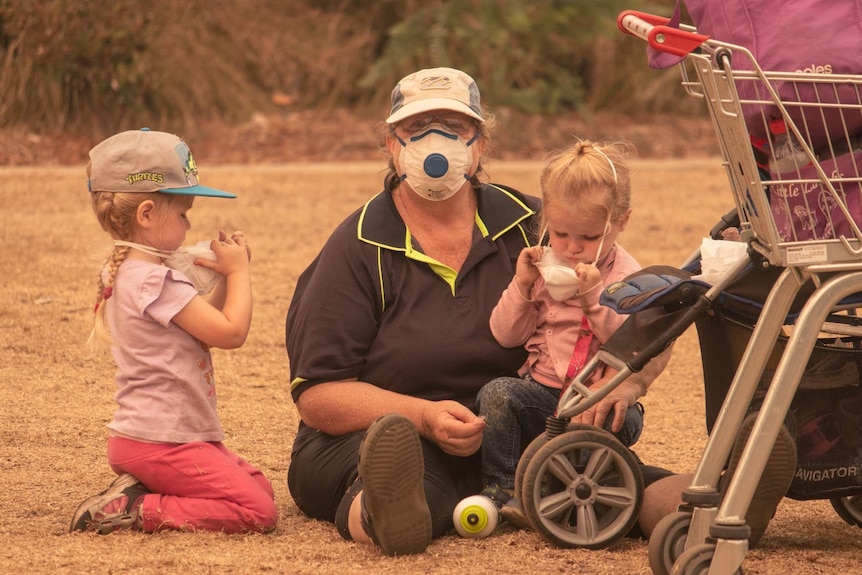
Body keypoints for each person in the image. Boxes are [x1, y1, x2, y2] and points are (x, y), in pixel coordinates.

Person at [285, 67, 689, 556]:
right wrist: (423, 416)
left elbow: (650, 317)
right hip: (393, 434)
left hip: (523, 431)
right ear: (392, 146)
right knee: (410, 481)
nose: (436, 143)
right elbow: (320, 396)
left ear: (479, 145)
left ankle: (714, 506)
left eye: (454, 128)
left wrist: (628, 382)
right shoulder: (357, 244)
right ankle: (384, 514)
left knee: (610, 481)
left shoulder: (545, 226)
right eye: (416, 129)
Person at [69, 128, 278, 535]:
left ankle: (135, 489)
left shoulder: (135, 271)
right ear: (146, 215)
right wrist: (239, 273)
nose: (189, 224)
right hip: (162, 441)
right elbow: (230, 333)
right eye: (183, 213)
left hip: (169, 436)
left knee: (259, 488)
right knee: (258, 512)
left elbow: (200, 327)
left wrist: (223, 278)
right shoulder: (153, 280)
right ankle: (136, 508)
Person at [477, 140, 673, 529]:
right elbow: (504, 335)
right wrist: (521, 286)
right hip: (545, 394)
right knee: (497, 393)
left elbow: (633, 342)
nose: (572, 248)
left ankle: (594, 482)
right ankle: (503, 492)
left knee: (614, 420)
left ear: (621, 222)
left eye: (587, 237)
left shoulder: (625, 277)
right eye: (561, 233)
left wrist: (594, 298)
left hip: (601, 402)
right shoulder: (543, 263)